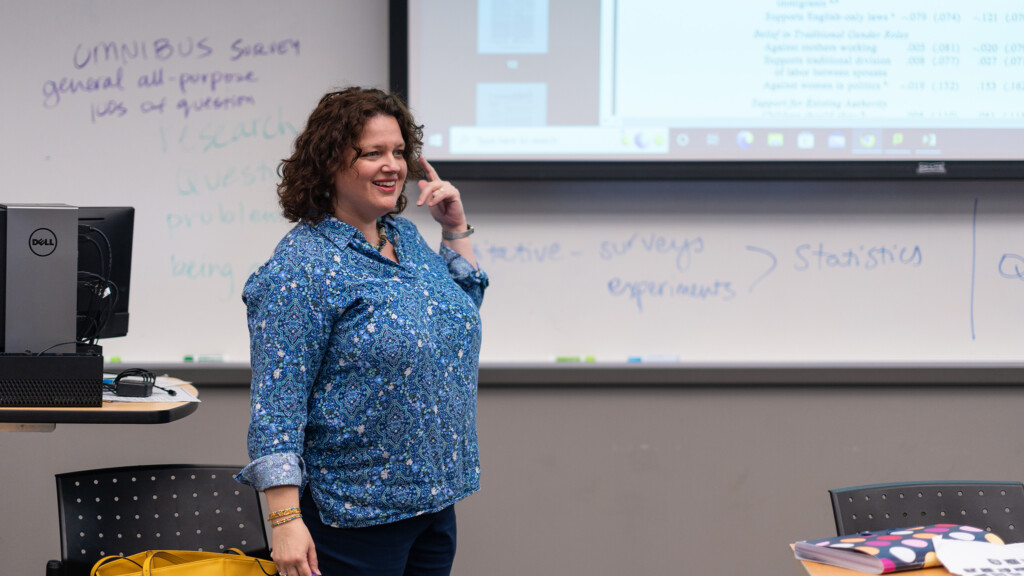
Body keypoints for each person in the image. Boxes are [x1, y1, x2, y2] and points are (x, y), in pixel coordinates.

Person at [236, 87, 488, 576]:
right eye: (372, 153)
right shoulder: (302, 267)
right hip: (352, 516)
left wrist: (454, 229)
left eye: (398, 152)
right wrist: (285, 521)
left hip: (433, 503)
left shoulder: (404, 238)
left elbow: (456, 320)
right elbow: (276, 407)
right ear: (330, 164)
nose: (393, 165)